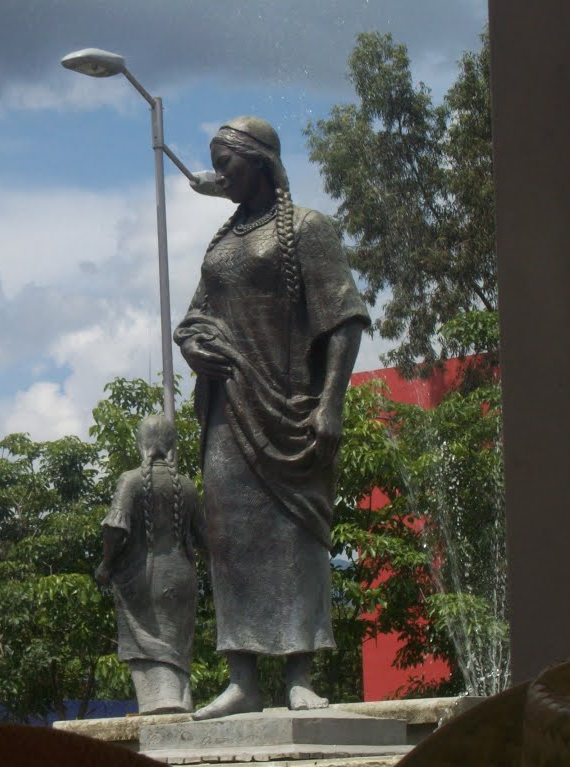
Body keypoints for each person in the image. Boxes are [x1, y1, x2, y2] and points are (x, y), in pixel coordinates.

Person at [173, 116, 369, 719]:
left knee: (294, 539)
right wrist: (190, 343)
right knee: (229, 539)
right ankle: (241, 679)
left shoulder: (307, 229)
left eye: (227, 162)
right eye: (216, 162)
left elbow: (343, 318)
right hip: (228, 408)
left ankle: (300, 675)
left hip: (289, 408)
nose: (220, 174)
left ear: (259, 161)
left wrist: (331, 401)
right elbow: (194, 316)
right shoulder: (222, 241)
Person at [95, 415, 204, 714]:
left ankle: (161, 701)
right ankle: (181, 700)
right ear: (172, 444)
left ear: (141, 442)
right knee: (176, 643)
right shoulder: (186, 486)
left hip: (142, 577)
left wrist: (106, 564)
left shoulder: (130, 481)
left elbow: (114, 528)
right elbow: (206, 538)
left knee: (148, 641)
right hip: (182, 577)